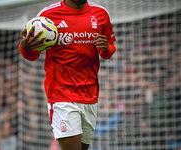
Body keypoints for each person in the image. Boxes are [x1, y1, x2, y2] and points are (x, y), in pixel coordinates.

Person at [18, 0, 116, 149]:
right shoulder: (47, 15)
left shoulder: (101, 13)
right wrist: (25, 48)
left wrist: (106, 48)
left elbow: (108, 50)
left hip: (90, 94)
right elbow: (32, 56)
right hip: (61, 95)